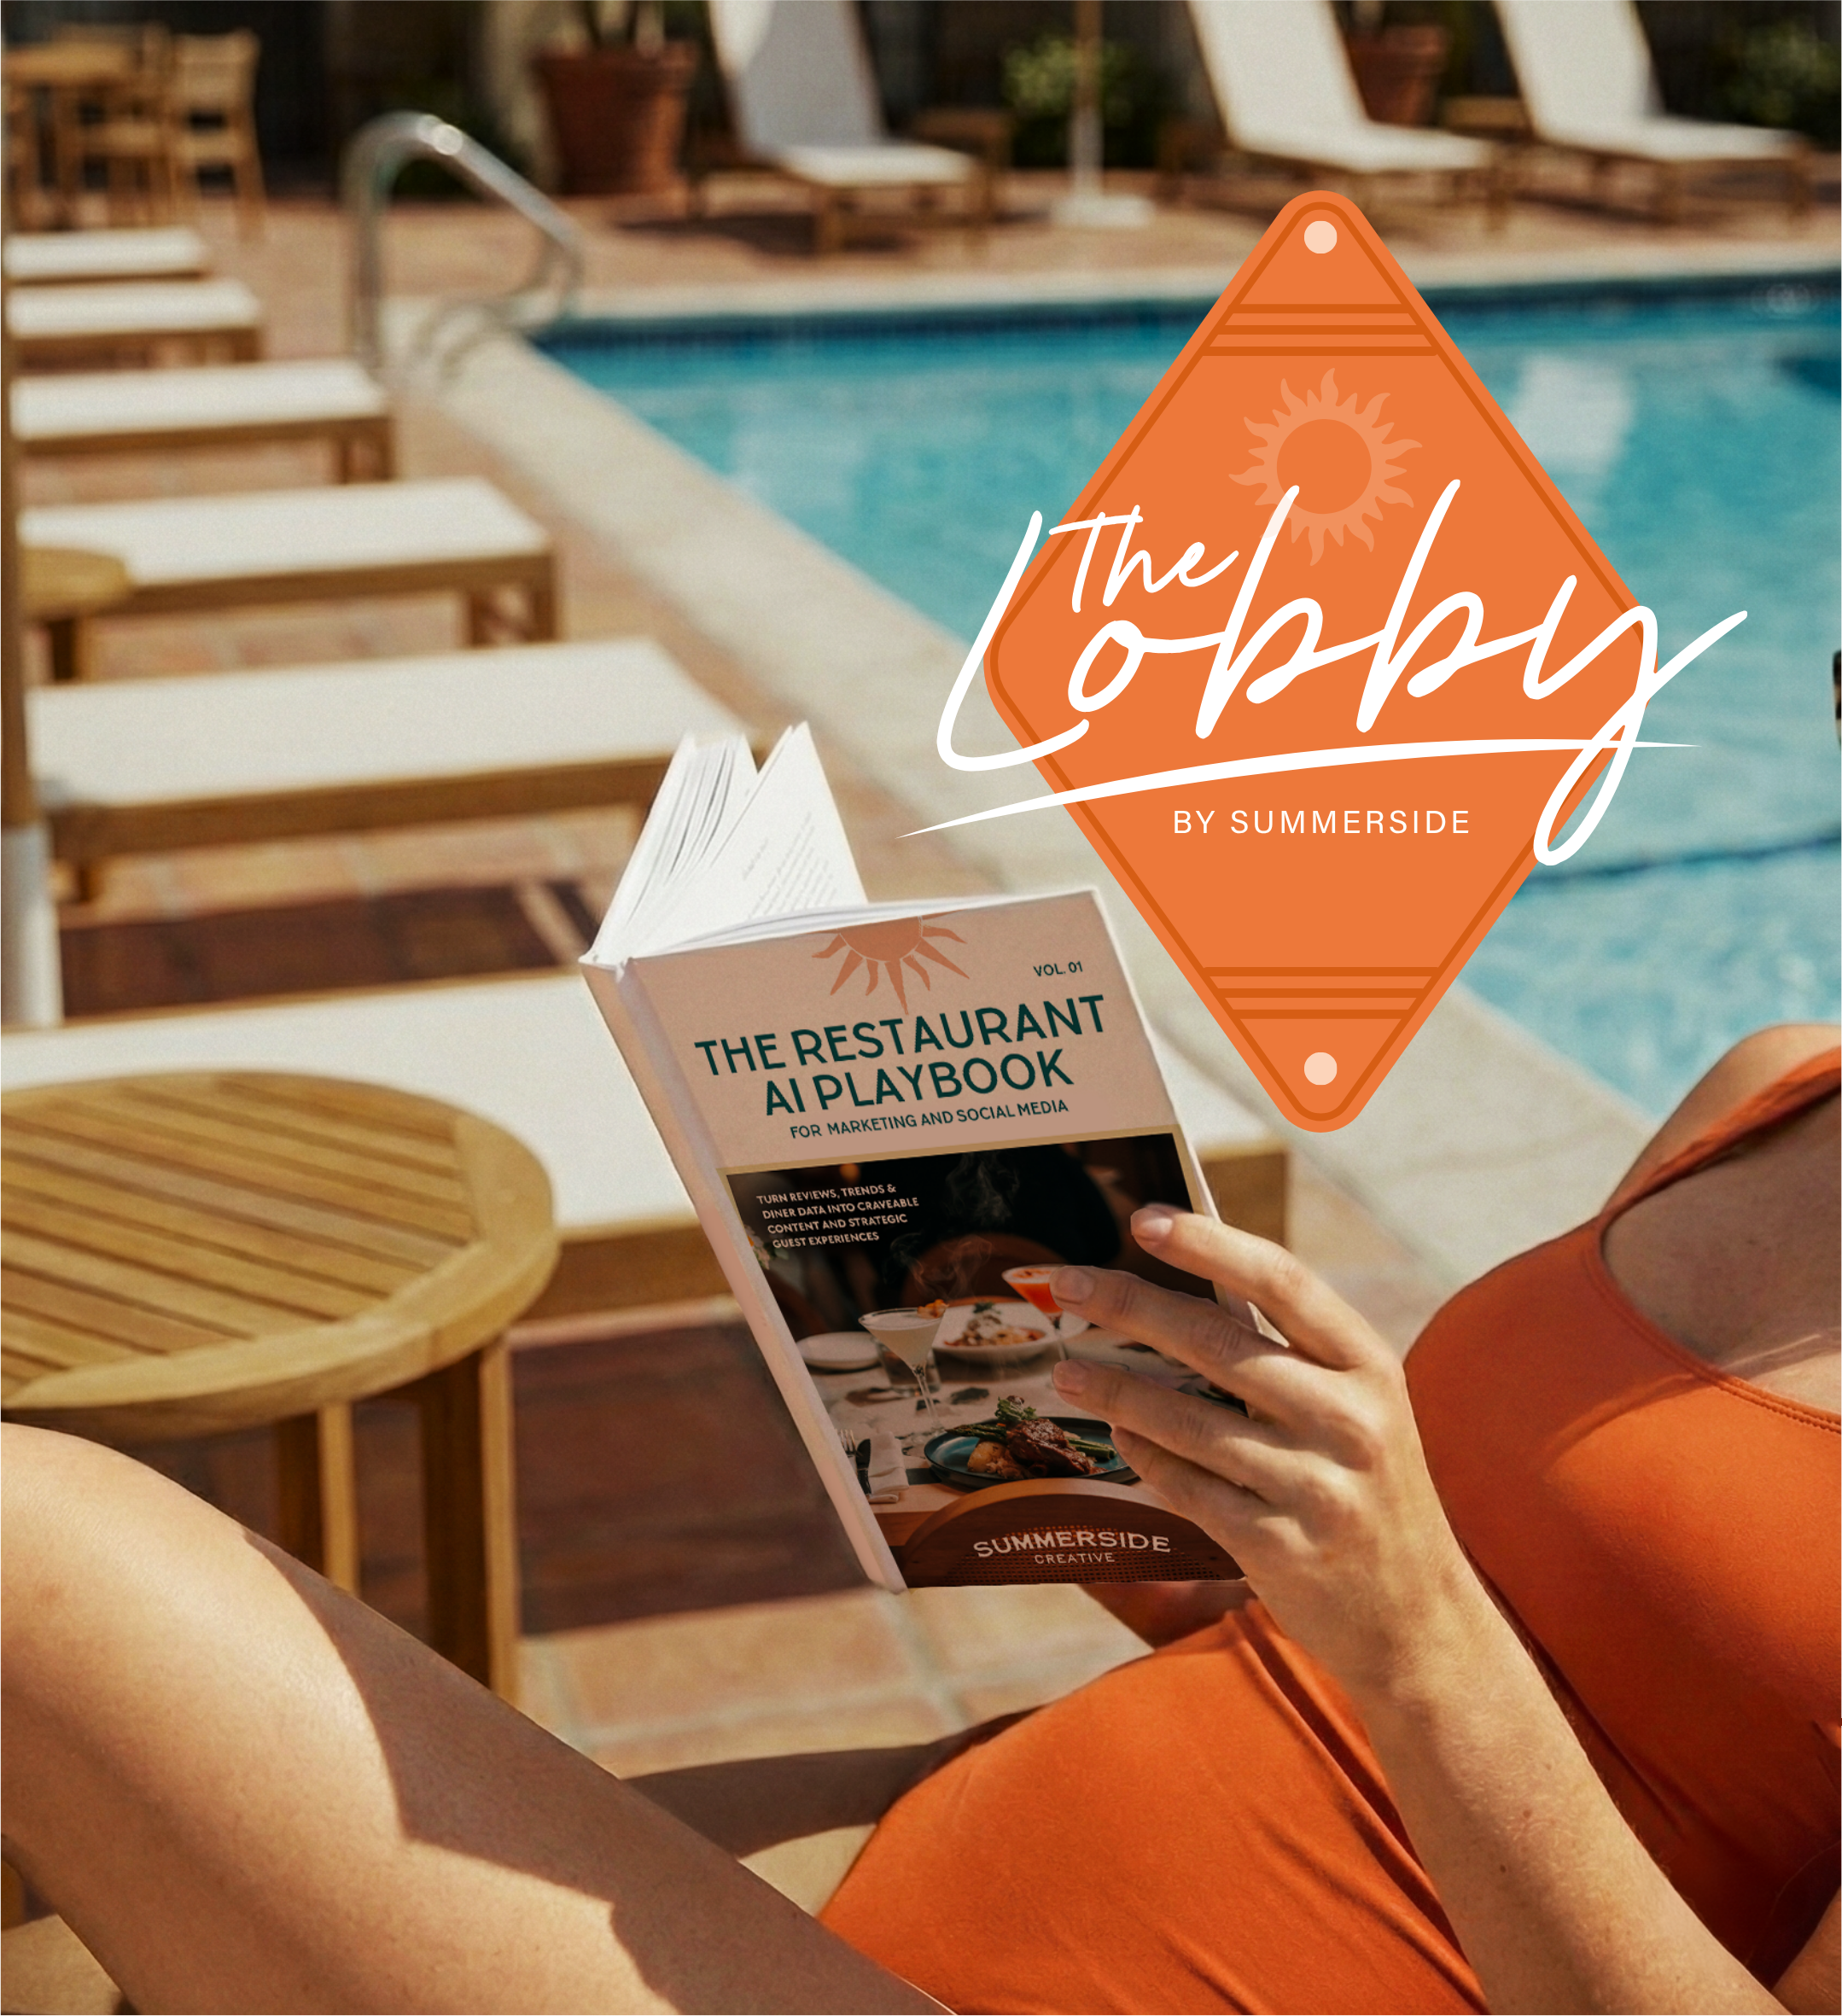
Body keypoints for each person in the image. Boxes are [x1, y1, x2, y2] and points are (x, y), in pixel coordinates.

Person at [0, 1023, 1836, 2015]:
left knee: (41, 1559)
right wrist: (1020, 1405)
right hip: (952, 1832)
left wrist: (1416, 1631)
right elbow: (1339, 1647)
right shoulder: (1772, 1094)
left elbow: (1431, 1658)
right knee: (70, 1959)